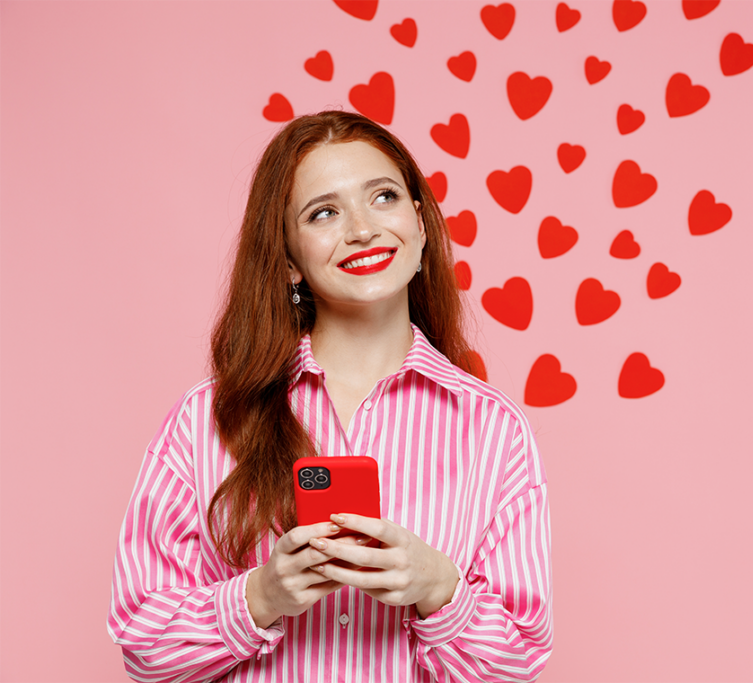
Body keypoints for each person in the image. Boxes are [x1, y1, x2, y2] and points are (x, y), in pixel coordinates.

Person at [107, 111, 552, 682]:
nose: (362, 229)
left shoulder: (494, 429)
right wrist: (259, 596)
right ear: (290, 259)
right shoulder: (206, 422)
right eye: (324, 213)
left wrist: (439, 589)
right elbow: (144, 647)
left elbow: (518, 662)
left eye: (384, 197)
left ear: (419, 223)